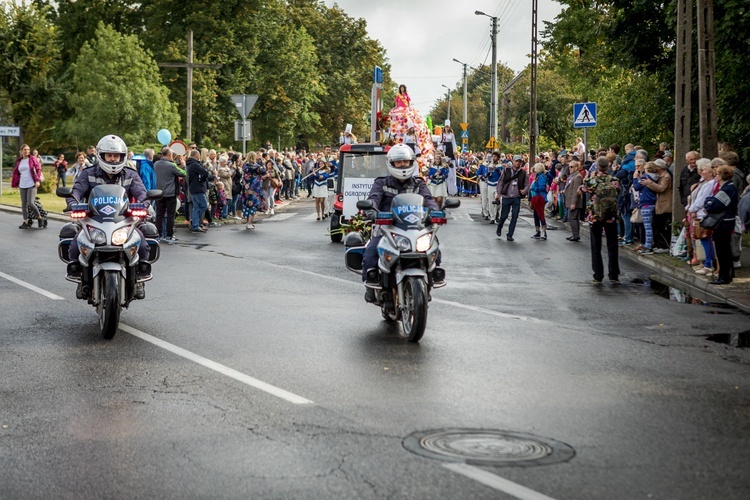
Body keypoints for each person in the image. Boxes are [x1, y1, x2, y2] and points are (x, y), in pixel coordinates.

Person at [66, 135, 150, 298]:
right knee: (76, 245)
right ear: (101, 156)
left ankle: (139, 279)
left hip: (123, 221)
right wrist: (73, 203)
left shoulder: (130, 175)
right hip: (93, 221)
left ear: (122, 157)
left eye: (116, 156)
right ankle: (81, 278)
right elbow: (75, 192)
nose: (113, 160)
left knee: (143, 243)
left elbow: (142, 194)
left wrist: (142, 204)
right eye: (109, 156)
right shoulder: (88, 174)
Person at [361, 144, 441, 302]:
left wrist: (435, 211)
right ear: (391, 163)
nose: (403, 165)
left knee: (434, 248)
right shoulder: (382, 183)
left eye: (406, 161)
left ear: (412, 163)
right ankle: (371, 285)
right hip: (387, 229)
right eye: (399, 162)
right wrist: (371, 209)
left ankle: (431, 280)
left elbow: (429, 200)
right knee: (370, 252)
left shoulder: (418, 184)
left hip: (414, 229)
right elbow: (374, 198)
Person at [584, 156, 621, 283]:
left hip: (596, 215)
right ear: (608, 167)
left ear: (597, 166)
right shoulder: (614, 180)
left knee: (596, 245)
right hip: (611, 215)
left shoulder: (592, 181)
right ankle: (614, 274)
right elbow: (618, 191)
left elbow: (584, 190)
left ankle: (598, 274)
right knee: (612, 244)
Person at [704, 165, 739, 285]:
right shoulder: (728, 187)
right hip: (725, 222)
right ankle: (726, 275)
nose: (716, 176)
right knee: (724, 250)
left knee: (722, 250)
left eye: (717, 174)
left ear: (722, 175)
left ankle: (724, 276)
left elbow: (712, 205)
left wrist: (707, 202)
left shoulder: (727, 189)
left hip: (723, 223)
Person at [686, 159, 717, 276]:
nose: (701, 172)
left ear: (710, 172)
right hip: (699, 213)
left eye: (704, 170)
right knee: (703, 239)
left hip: (702, 214)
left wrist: (692, 209)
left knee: (705, 238)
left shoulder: (709, 184)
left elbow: (702, 200)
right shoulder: (705, 183)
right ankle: (706, 263)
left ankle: (709, 264)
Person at [638, 158, 672, 253]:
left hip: (664, 203)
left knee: (661, 225)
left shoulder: (666, 176)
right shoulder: (659, 176)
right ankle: (657, 244)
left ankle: (664, 245)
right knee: (656, 225)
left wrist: (649, 183)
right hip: (658, 203)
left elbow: (661, 188)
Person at [154, 146, 186, 244]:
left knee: (159, 214)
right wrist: (183, 165)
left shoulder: (156, 164)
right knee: (170, 215)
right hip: (170, 193)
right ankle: (169, 235)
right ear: (169, 154)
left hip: (159, 192)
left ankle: (158, 234)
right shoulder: (171, 165)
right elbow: (183, 173)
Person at [495, 155, 527, 242]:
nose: (518, 163)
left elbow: (527, 184)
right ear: (513, 161)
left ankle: (510, 234)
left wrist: (524, 190)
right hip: (507, 196)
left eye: (520, 161)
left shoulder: (523, 172)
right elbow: (500, 182)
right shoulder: (506, 170)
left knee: (515, 216)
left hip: (516, 197)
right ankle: (499, 227)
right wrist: (499, 193)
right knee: (504, 215)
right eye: (516, 161)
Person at [11, 144, 44, 229]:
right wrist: (16, 182)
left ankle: (40, 217)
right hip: (22, 184)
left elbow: (38, 169)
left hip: (32, 183)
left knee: (30, 203)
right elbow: (17, 172)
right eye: (25, 150)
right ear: (21, 151)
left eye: (28, 149)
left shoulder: (32, 158)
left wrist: (37, 180)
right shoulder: (19, 161)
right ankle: (25, 222)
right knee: (24, 204)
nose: (27, 151)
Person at [633, 161, 659, 255]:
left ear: (647, 169)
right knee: (650, 226)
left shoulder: (645, 177)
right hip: (652, 203)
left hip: (646, 204)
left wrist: (635, 178)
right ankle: (648, 244)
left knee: (647, 227)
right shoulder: (655, 177)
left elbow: (636, 187)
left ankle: (648, 246)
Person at [186, 148, 214, 233]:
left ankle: (195, 224)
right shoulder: (194, 165)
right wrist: (207, 169)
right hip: (198, 188)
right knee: (203, 206)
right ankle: (195, 221)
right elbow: (205, 173)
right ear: (197, 155)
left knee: (196, 207)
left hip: (193, 188)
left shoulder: (191, 164)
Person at [240, 161, 265, 230]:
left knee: (248, 206)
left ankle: (249, 222)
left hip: (246, 191)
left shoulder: (245, 171)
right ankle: (249, 223)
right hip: (254, 191)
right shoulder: (256, 174)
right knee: (253, 206)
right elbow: (263, 171)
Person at [564, 160, 584, 242]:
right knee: (573, 218)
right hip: (570, 200)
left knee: (572, 218)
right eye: (569, 167)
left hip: (574, 202)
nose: (570, 168)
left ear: (576, 167)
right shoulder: (572, 176)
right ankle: (575, 234)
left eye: (572, 167)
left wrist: (573, 203)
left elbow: (576, 191)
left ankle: (576, 235)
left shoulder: (577, 177)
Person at [529, 163, 549, 240]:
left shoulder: (541, 177)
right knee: (536, 214)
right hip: (536, 196)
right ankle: (538, 231)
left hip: (540, 197)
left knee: (540, 214)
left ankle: (544, 232)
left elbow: (541, 187)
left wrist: (534, 188)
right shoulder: (537, 176)